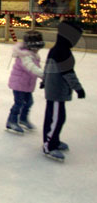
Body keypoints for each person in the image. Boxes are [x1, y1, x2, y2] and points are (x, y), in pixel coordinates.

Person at [41, 20, 86, 162]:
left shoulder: (56, 49)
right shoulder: (63, 52)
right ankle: (49, 145)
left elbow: (47, 67)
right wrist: (78, 88)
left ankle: (53, 140)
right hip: (56, 92)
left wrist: (43, 81)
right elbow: (69, 74)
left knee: (56, 118)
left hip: (55, 90)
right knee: (56, 119)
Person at [6, 31, 45, 134]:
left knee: (29, 102)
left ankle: (23, 119)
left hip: (27, 84)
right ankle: (11, 121)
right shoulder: (25, 55)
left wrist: (43, 78)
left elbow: (37, 67)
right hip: (19, 84)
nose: (38, 50)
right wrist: (44, 75)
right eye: (36, 48)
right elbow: (31, 67)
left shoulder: (33, 54)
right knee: (19, 103)